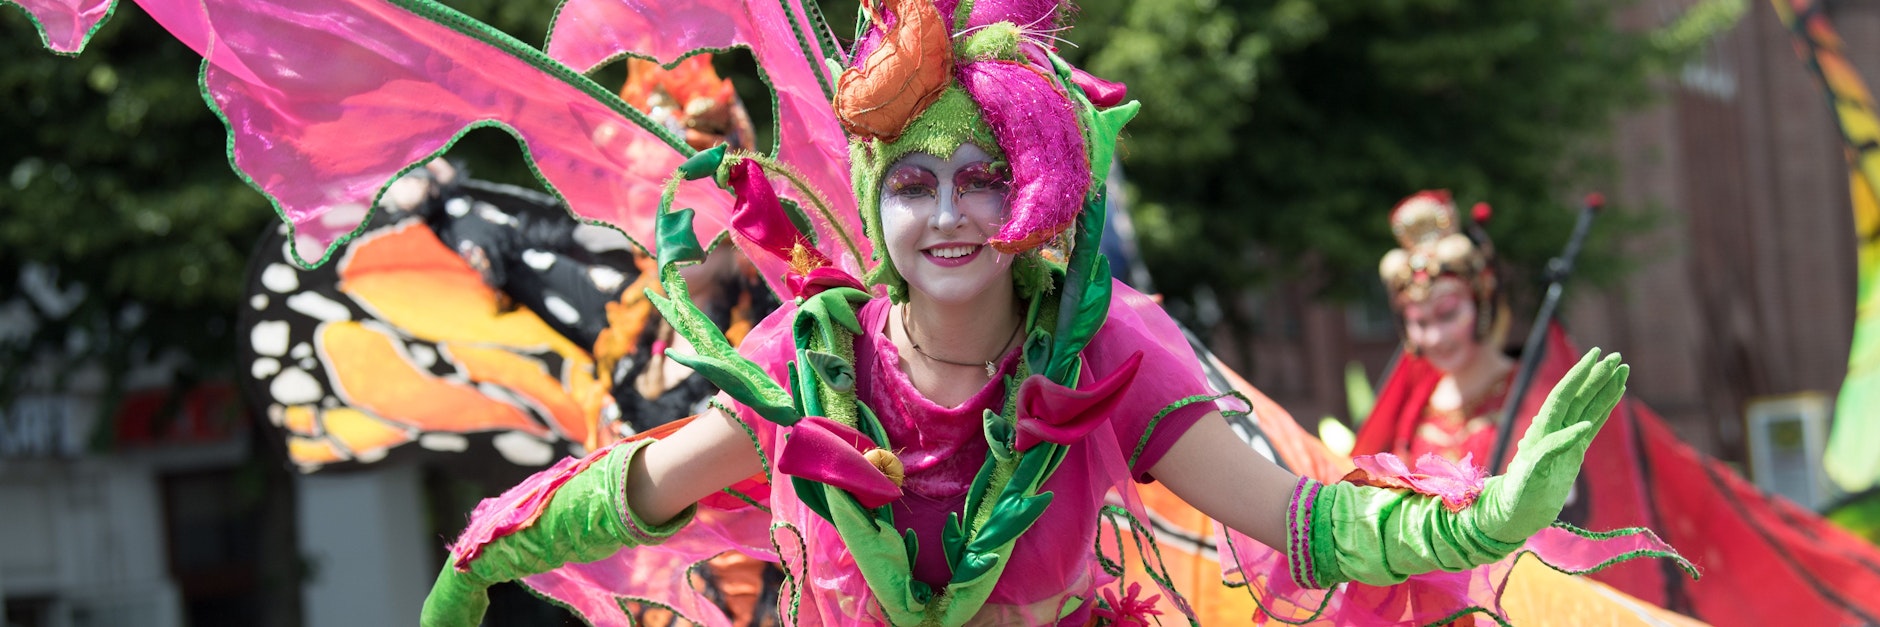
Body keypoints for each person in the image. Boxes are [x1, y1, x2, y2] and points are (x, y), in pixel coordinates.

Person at [417, 2, 1681, 625]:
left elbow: (1295, 518)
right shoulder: (814, 360)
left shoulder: (1105, 352)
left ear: (1035, 192)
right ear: (874, 202)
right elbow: (641, 488)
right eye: (913, 183)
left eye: (984, 177)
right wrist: (480, 557)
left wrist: (1485, 518)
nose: (952, 213)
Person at [1357, 190, 1880, 625]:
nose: (1434, 335)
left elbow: (1593, 505)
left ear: (1482, 298)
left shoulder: (1542, 394)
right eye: (1416, 320)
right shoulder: (1408, 409)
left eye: (1447, 313)